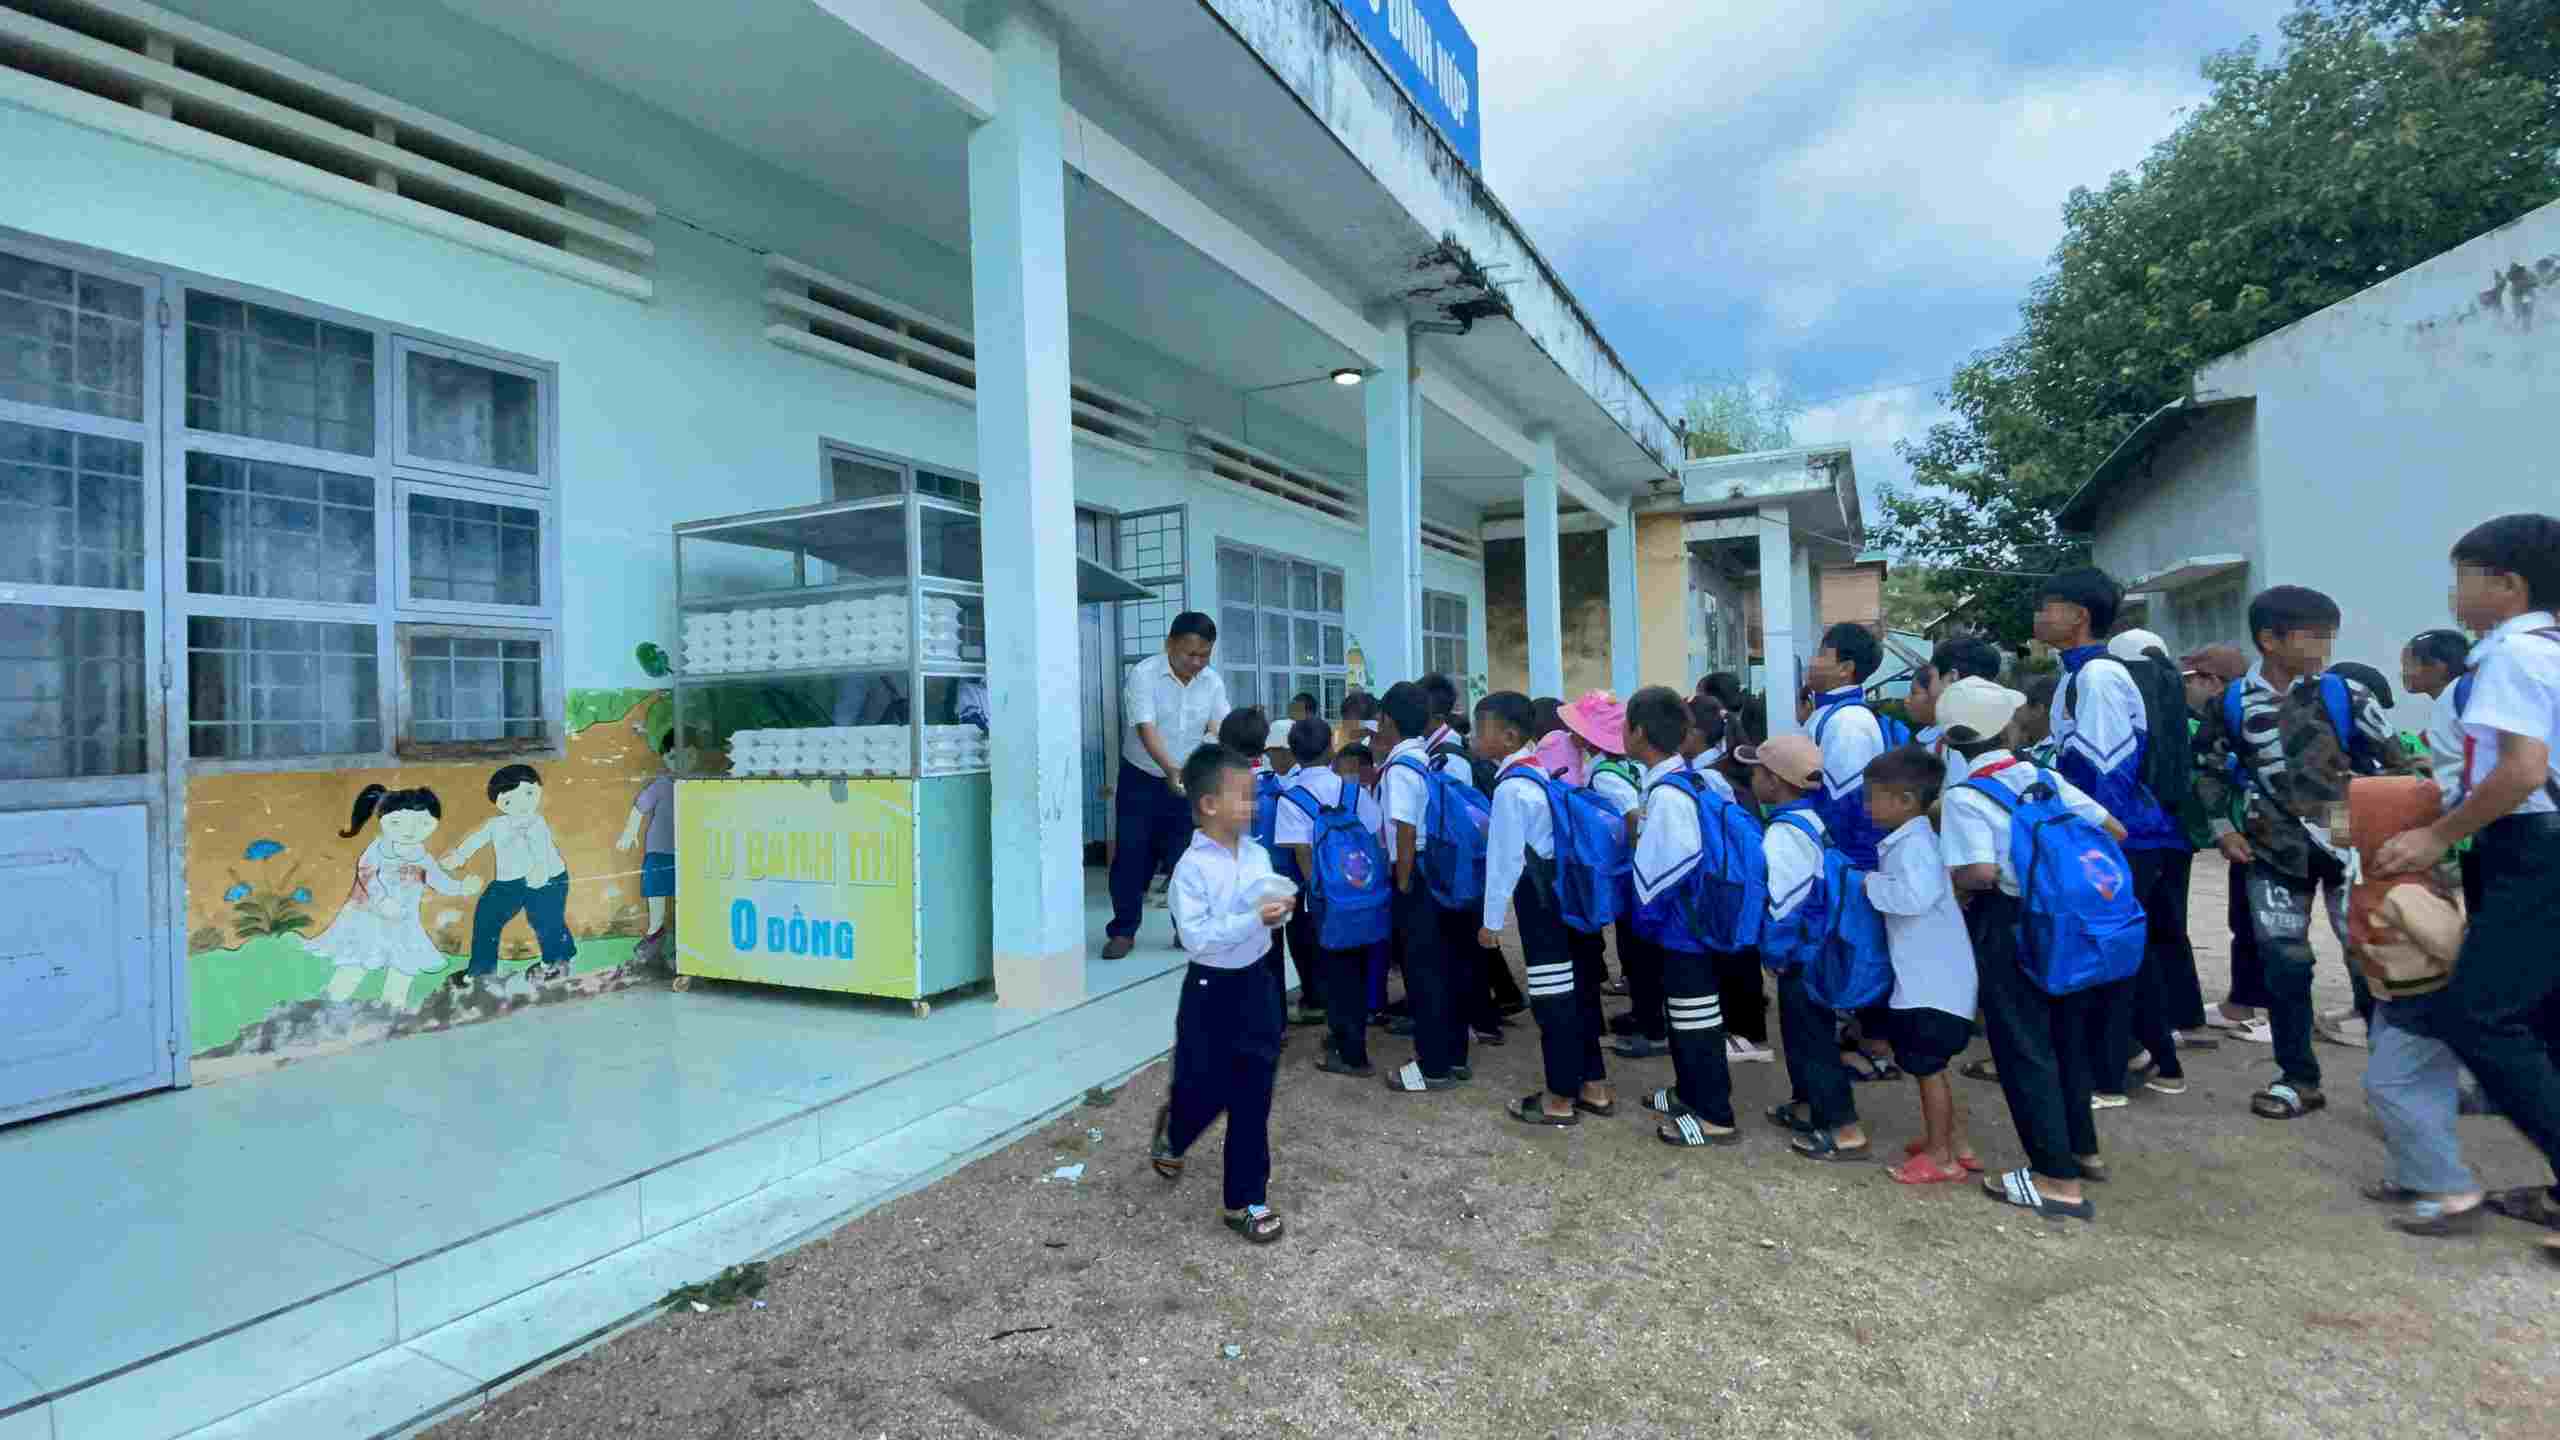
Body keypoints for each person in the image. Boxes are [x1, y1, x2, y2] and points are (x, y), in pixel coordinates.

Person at [2374, 513, 2560, 1252]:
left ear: (2506, 585)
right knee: (2543, 1013)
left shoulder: (2511, 656)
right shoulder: (2550, 647)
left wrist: (2436, 836)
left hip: (2533, 846)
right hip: (2539, 844)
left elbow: (2519, 770)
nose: (2455, 594)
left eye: (2463, 578)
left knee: (2482, 1014)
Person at [2195, 585, 2407, 1122]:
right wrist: (2224, 830)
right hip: (2271, 851)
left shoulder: (2345, 695)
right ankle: (2298, 1078)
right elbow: (2210, 769)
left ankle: (2396, 1087)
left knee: (2368, 962)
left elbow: (2398, 765)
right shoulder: (2232, 702)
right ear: (2271, 639)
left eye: (2329, 633)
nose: (2326, 644)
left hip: (2347, 848)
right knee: (2285, 967)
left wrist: (2382, 820)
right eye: (2316, 634)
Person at [1938, 677, 2124, 1220]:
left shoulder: (1966, 796)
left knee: (2023, 1047)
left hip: (2009, 923)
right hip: (2066, 922)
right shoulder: (2043, 777)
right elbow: (2114, 829)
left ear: (1951, 742)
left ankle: (2055, 1179)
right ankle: (2081, 1149)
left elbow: (1977, 872)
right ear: (2008, 730)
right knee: (2066, 1039)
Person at [2035, 572, 2184, 1110]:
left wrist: (2095, 844)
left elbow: (2106, 772)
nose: (2038, 617)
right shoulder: (2079, 674)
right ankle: (2156, 1059)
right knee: (2127, 953)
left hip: (2122, 838)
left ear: (2078, 615)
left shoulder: (2096, 676)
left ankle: (2110, 1075)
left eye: (2047, 607)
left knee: (2109, 954)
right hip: (2123, 835)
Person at [1149, 743, 1293, 1245]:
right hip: (1209, 990)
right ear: (1209, 804)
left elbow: (1268, 907)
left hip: (1257, 982)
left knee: (1254, 1092)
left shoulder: (1255, 853)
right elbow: (1198, 939)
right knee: (1202, 1085)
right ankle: (1177, 1130)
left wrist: (1280, 908)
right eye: (1243, 797)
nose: (1252, 807)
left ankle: (1246, 1199)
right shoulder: (1190, 869)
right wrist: (1254, 917)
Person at [1477, 690, 1613, 1126]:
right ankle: (1594, 1085)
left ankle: (1559, 1097)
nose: (1476, 738)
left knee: (1553, 999)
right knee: (1579, 994)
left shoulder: (1511, 789)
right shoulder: (1540, 771)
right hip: (1566, 897)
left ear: (1509, 735)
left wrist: (1490, 922)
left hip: (1541, 907)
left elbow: (1504, 861)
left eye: (1483, 729)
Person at [1624, 686, 1741, 1146]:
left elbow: (1666, 866)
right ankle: (1687, 1090)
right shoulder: (1688, 779)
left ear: (1637, 733)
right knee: (1686, 1015)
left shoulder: (1670, 794)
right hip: (1688, 921)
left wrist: (1644, 913)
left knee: (1696, 1019)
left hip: (1684, 927)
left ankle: (1715, 1114)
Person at [1859, 744, 1979, 1185]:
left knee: (1927, 1069)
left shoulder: (1914, 846)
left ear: (1906, 801)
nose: (1866, 804)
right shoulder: (1916, 840)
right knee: (1934, 1068)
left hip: (1931, 988)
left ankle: (1941, 1155)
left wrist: (1867, 884)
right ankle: (1955, 1143)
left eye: (1872, 796)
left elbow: (1912, 898)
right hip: (1938, 984)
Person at [1749, 734, 1867, 1160]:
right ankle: (1807, 1105)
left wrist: (1775, 955)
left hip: (1802, 955)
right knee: (1803, 1035)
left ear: (1776, 781)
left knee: (1812, 1040)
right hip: (1819, 948)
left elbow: (1783, 904)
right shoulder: (1812, 819)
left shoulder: (1784, 832)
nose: (1753, 778)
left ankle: (1843, 1126)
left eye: (1758, 772)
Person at [1106, 613, 1232, 960]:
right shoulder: (1145, 675)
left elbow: (1219, 723)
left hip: (1188, 780)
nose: (1196, 662)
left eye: (1204, 655)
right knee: (1132, 854)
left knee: (1185, 857)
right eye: (1189, 654)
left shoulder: (1212, 682)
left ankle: (1186, 929)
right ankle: (1123, 930)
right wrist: (1170, 768)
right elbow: (1146, 728)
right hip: (1142, 776)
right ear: (1169, 645)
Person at [1278, 716, 1384, 1077]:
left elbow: (1301, 853)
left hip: (1325, 900)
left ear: (1293, 753)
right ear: (1331, 749)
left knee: (1334, 974)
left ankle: (1351, 1052)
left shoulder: (1291, 798)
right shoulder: (1354, 791)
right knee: (1356, 966)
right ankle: (1350, 1035)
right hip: (1363, 892)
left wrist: (1320, 890)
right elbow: (1374, 834)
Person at [1377, 681, 1469, 1093]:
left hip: (1416, 876)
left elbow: (1404, 831)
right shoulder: (1425, 757)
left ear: (1387, 720)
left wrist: (1401, 883)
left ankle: (1432, 1065)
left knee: (1422, 973)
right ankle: (1453, 1055)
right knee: (1443, 966)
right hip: (1439, 873)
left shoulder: (1400, 768)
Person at [2182, 643, 2271, 1042]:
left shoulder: (2249, 717)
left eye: (2190, 681)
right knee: (2246, 919)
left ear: (2211, 680)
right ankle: (2242, 1004)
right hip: (2248, 832)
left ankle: (2267, 1013)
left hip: (2275, 835)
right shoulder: (2231, 715)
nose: (2186, 691)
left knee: (2267, 925)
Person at [1421, 672, 1510, 1043]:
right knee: (1467, 941)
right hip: (1465, 859)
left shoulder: (1449, 757)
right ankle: (1491, 1009)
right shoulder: (1446, 748)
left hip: (1462, 861)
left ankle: (1482, 1020)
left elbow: (1458, 819)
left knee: (1465, 943)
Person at [1685, 693, 1771, 1064]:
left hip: (1728, 875)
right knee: (1738, 952)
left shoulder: (1710, 776)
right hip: (1735, 874)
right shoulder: (1721, 765)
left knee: (1735, 955)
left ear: (1695, 733)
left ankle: (1748, 1036)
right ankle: (1743, 1031)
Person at [444, 764, 575, 986]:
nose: (521, 804)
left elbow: (541, 850)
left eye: (528, 794)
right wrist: (458, 856)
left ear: (539, 790)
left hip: (547, 879)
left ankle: (554, 961)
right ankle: (480, 971)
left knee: (545, 920)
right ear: (499, 803)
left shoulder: (537, 823)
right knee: (487, 916)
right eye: (509, 801)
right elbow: (476, 839)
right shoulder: (497, 824)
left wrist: (540, 871)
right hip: (510, 882)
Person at [1803, 623, 1894, 870]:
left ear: (1845, 669)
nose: (1812, 662)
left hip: (1847, 864)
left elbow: (1844, 804)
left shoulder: (1849, 721)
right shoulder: (1830, 713)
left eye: (1822, 654)